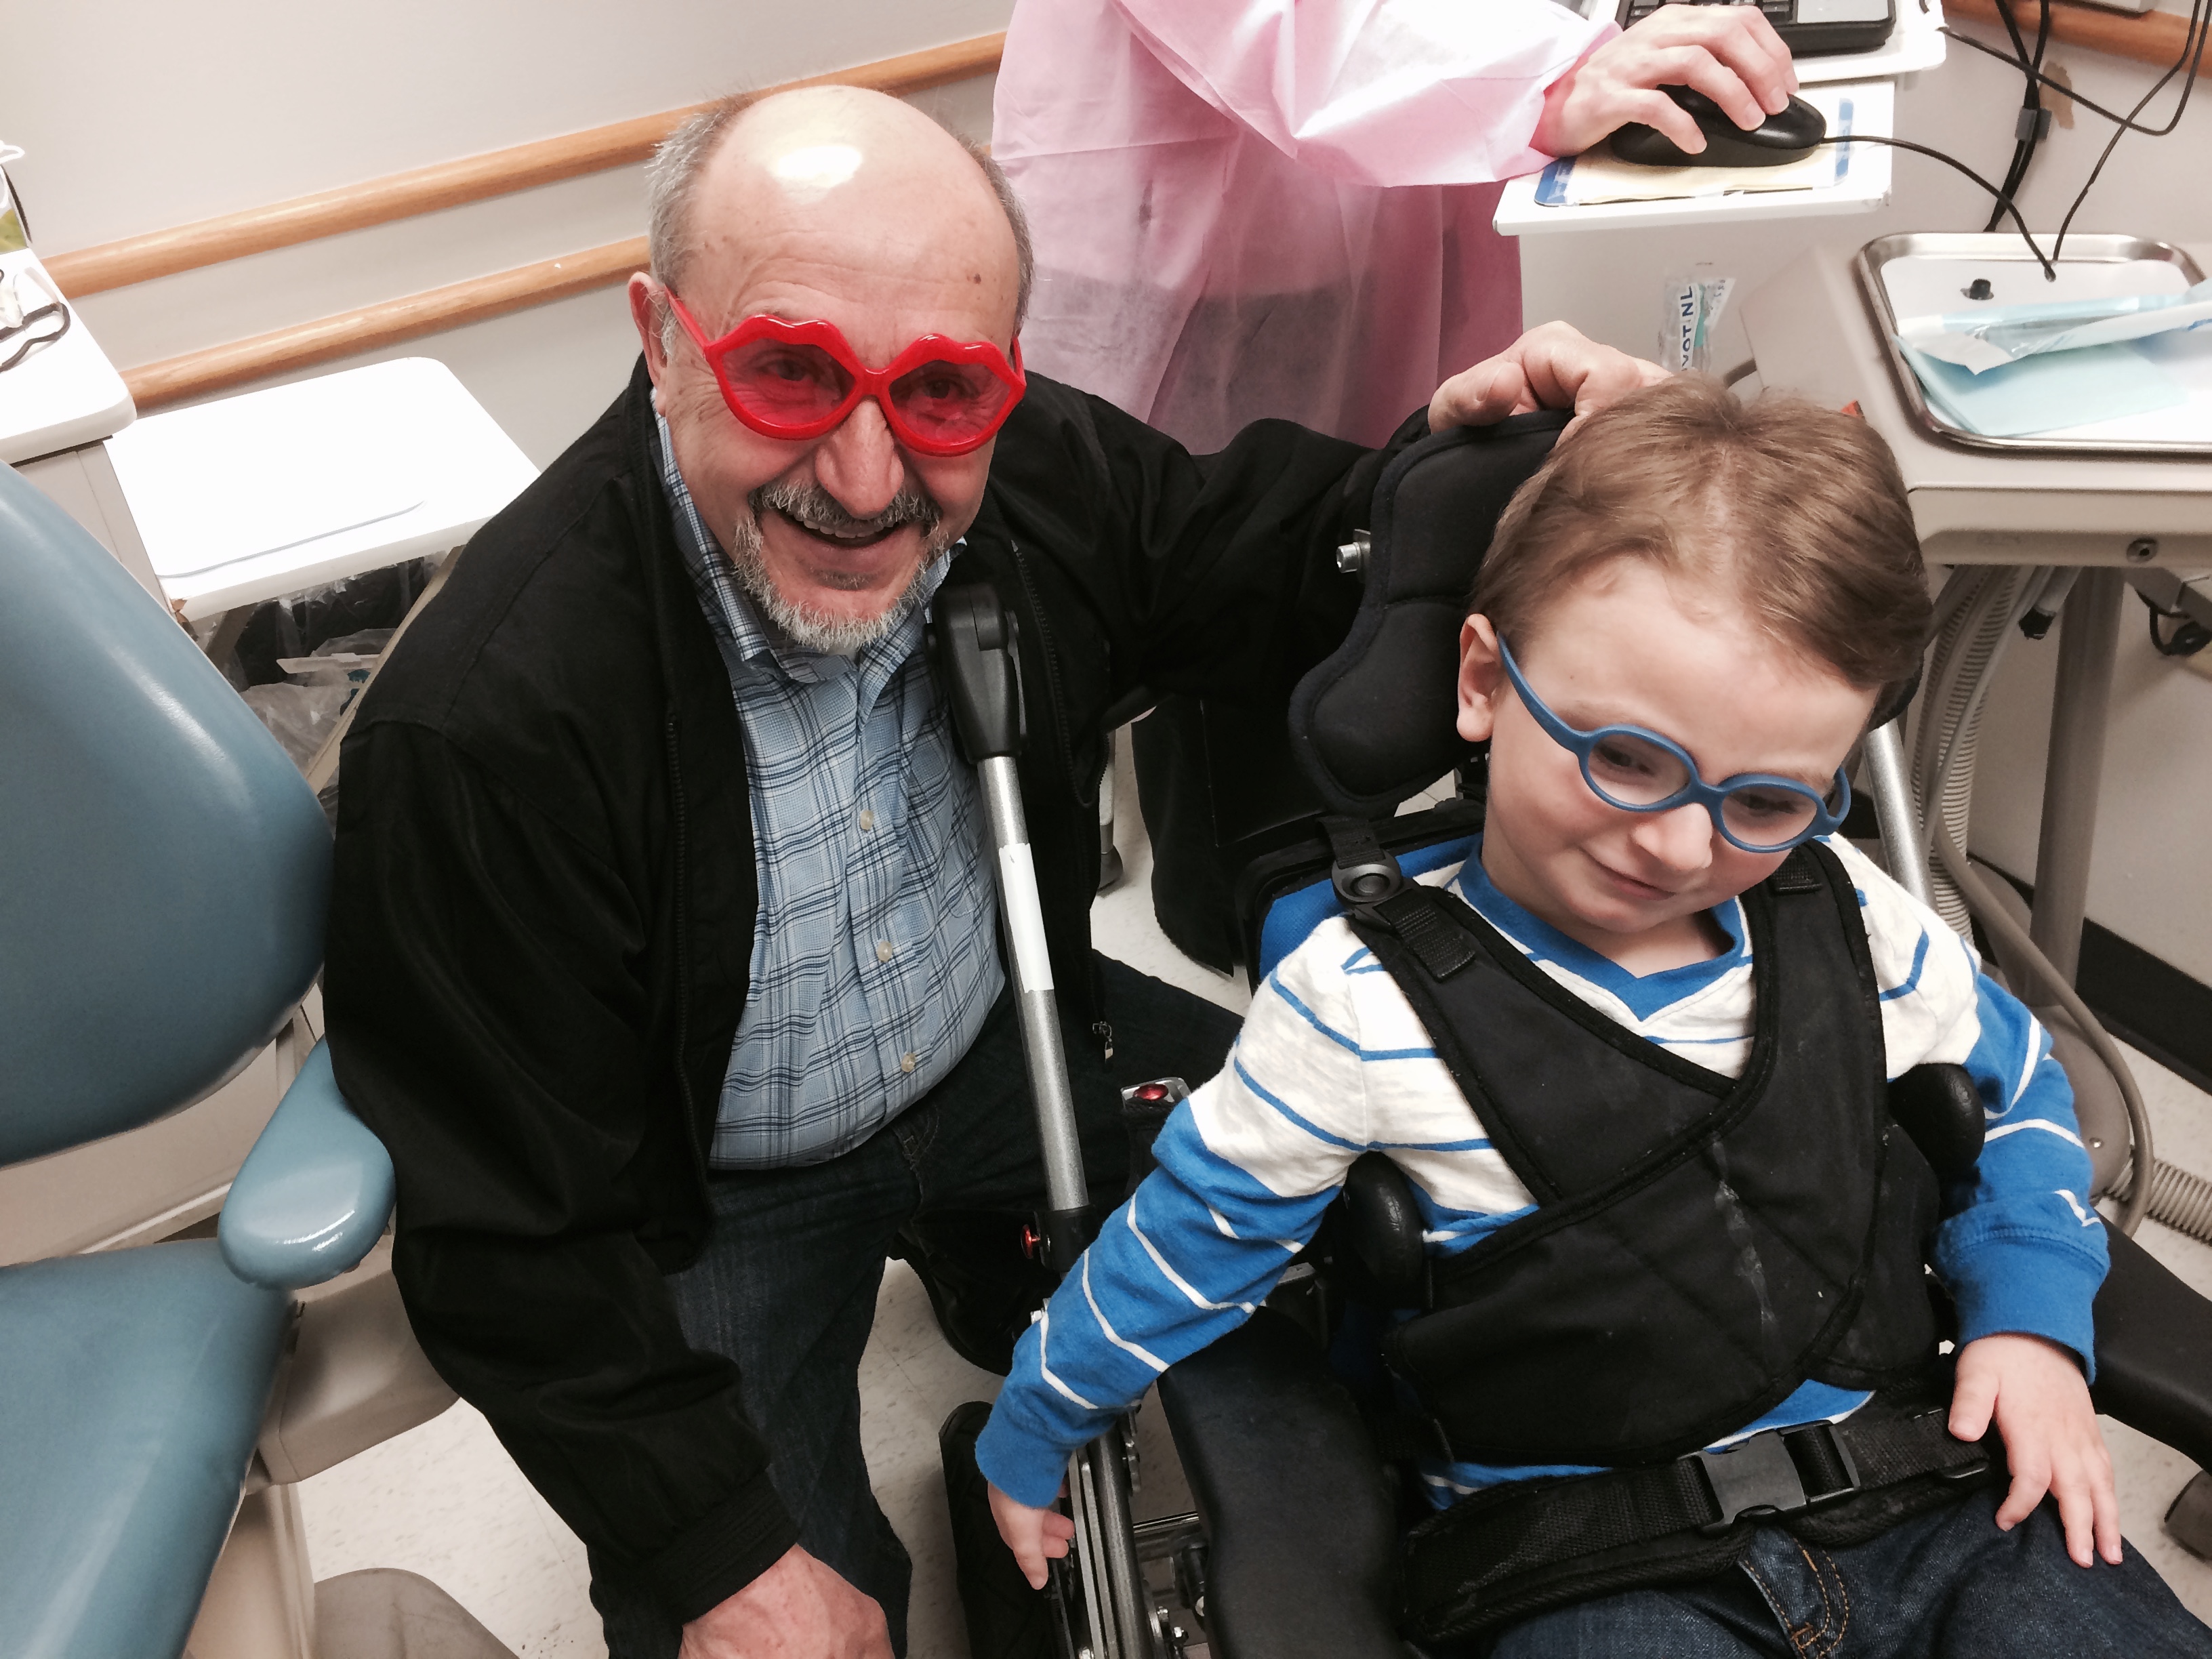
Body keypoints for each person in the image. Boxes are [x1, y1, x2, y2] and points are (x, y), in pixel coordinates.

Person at [323, 82, 1660, 1659]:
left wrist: (1484, 475)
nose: (867, 478)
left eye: (944, 392)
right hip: (706, 1189)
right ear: (662, 339)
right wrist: (720, 1556)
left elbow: (1255, 549)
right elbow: (509, 1237)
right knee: (784, 1625)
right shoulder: (487, 723)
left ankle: (987, 1257)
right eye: (790, 373)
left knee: (1413, 1208)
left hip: (1000, 1046)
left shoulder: (1032, 468)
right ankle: (972, 1287)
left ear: (1001, 375)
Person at [977, 377, 2212, 1656]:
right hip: (1587, 1568)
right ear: (1483, 682)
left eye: (1767, 801)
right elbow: (1190, 1242)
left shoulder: (1846, 907)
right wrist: (1037, 1423)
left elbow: (2017, 1095)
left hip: (1931, 1499)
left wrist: (2032, 1315)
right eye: (1625, 757)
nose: (1679, 846)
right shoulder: (1357, 1008)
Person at [995, 0, 1801, 972]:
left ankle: (1342, 898)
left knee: (1373, 534)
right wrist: (1547, 78)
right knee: (1230, 561)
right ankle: (1255, 930)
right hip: (1213, 211)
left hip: (1381, 175)